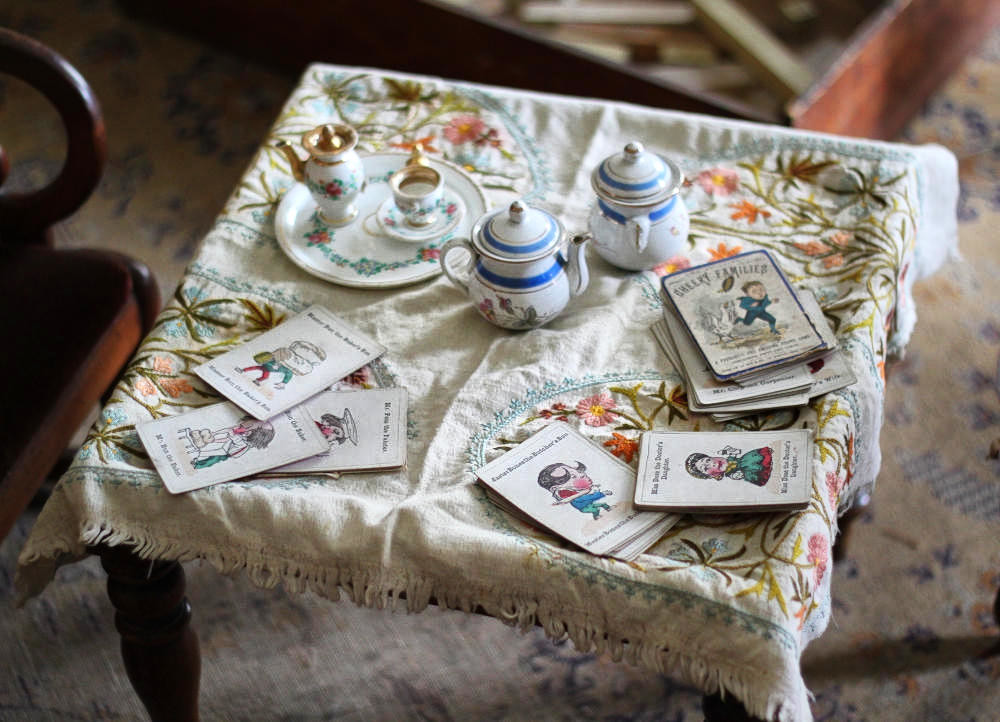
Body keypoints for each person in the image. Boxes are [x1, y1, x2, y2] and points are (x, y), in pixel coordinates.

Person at [184, 417, 275, 469]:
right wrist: (214, 434)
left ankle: (197, 465)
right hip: (227, 448)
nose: (248, 427)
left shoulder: (243, 441)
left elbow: (227, 438)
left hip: (229, 453)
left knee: (213, 459)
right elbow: (228, 433)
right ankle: (197, 459)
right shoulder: (243, 434)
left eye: (254, 427)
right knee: (212, 453)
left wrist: (213, 440)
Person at [536, 460, 613, 520]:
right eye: (573, 476)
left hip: (588, 504)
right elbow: (588, 497)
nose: (582, 474)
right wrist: (602, 493)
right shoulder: (574, 497)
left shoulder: (580, 491)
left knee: (601, 505)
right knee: (596, 508)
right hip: (585, 507)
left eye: (578, 472)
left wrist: (590, 489)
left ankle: (607, 509)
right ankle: (597, 516)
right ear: (558, 488)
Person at [684, 445, 772, 486]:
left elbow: (737, 452)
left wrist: (730, 451)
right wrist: (735, 475)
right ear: (712, 475)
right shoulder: (731, 473)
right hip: (746, 470)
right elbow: (734, 475)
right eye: (706, 468)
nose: (712, 463)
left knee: (755, 457)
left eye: (708, 460)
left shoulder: (729, 457)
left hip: (745, 459)